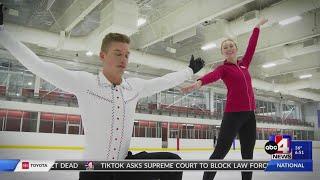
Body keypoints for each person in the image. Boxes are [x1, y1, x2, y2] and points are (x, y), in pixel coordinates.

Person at [0, 4, 204, 180]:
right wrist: (2, 32)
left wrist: (188, 71)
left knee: (173, 162)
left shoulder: (134, 88)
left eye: (126, 54)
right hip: (94, 172)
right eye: (117, 53)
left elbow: (162, 81)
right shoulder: (85, 83)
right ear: (102, 55)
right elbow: (39, 65)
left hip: (125, 168)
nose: (123, 59)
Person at [181, 17, 268, 180]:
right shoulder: (223, 69)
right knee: (220, 153)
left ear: (236, 48)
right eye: (225, 47)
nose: (228, 48)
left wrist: (256, 27)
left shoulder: (244, 64)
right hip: (233, 116)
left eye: (231, 46)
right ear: (222, 52)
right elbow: (213, 75)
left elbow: (252, 47)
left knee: (247, 155)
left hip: (250, 116)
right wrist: (199, 82)